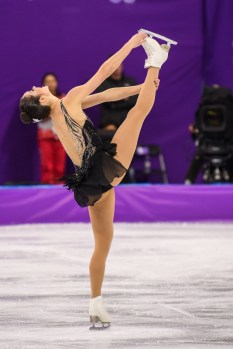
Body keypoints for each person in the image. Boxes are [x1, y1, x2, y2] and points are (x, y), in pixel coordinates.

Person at [19, 32, 170, 329]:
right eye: (35, 89)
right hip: (103, 166)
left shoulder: (64, 108)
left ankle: (96, 303)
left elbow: (103, 96)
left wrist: (142, 87)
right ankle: (156, 61)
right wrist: (130, 44)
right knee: (137, 114)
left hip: (91, 184)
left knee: (102, 244)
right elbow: (103, 72)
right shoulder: (69, 100)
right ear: (41, 98)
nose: (38, 86)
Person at [37, 73, 66, 184]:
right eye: (47, 82)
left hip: (61, 137)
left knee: (60, 167)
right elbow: (38, 116)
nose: (50, 84)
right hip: (45, 136)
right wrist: (53, 111)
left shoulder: (63, 97)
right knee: (47, 167)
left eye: (52, 81)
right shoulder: (38, 99)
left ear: (56, 83)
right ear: (43, 84)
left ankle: (58, 192)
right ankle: (46, 192)